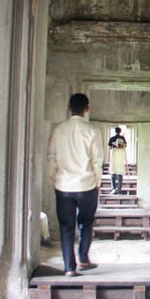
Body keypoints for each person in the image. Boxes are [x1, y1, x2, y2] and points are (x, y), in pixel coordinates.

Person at [47, 92, 103, 276]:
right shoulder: (92, 131)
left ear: (69, 108)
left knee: (66, 226)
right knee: (86, 223)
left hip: (63, 186)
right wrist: (97, 182)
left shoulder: (58, 129)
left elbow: (51, 157)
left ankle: (69, 268)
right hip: (86, 185)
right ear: (87, 109)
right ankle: (84, 259)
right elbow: (97, 160)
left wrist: (54, 178)